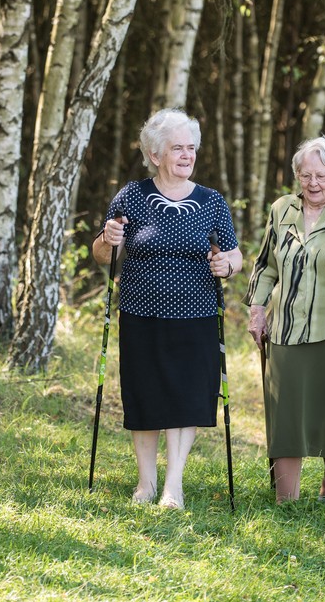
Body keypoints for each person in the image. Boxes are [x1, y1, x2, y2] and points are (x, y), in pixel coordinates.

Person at [92, 108, 242, 509]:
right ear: (155, 154)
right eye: (177, 148)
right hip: (141, 314)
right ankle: (146, 482)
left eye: (191, 148)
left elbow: (233, 254)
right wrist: (107, 239)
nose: (186, 155)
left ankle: (174, 484)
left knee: (186, 396)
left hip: (197, 315)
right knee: (145, 396)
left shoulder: (211, 202)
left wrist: (226, 265)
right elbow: (103, 253)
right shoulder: (131, 196)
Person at [244, 136, 325, 504]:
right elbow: (265, 266)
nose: (313, 183)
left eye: (322, 175)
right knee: (286, 415)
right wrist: (257, 309)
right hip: (286, 327)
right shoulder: (282, 209)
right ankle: (286, 499)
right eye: (305, 175)